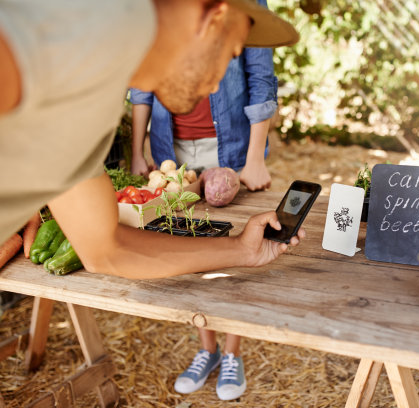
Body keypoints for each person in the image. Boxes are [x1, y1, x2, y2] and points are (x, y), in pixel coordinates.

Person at [0, 0, 301, 278]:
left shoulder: (102, 95)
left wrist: (242, 250)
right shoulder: (78, 25)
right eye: (230, 54)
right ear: (212, 19)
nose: (218, 86)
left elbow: (106, 248)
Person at [129, 7, 276, 396]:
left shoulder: (246, 7)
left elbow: (261, 79)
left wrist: (255, 159)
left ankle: (232, 354)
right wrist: (137, 150)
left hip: (231, 148)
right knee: (189, 245)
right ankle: (207, 348)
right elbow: (144, 82)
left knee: (234, 249)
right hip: (169, 150)